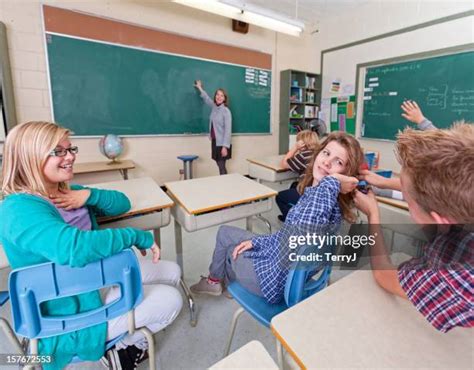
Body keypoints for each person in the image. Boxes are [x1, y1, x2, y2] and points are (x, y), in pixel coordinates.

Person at [0, 122, 183, 370]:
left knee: (172, 272)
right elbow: (73, 248)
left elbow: (121, 203)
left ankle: (124, 339)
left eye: (70, 148)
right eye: (59, 151)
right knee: (171, 300)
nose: (71, 156)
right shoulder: (17, 208)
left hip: (94, 277)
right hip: (69, 313)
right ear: (29, 158)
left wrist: (88, 196)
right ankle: (122, 347)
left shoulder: (62, 192)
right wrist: (134, 236)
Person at [190, 132, 363, 303]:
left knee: (230, 248)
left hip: (270, 281)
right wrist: (256, 243)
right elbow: (287, 237)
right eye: (326, 153)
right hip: (279, 262)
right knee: (227, 234)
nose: (327, 162)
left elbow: (303, 233)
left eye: (338, 162)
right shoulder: (320, 199)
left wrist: (332, 181)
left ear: (345, 175)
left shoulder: (321, 202)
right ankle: (225, 281)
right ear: (318, 153)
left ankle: (218, 282)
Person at [353, 122, 473, 332]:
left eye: (408, 201)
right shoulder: (463, 198)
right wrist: (384, 182)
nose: (407, 202)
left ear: (439, 219)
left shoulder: (449, 282)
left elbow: (383, 275)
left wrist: (373, 214)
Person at [276, 129, 319, 222]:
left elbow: (283, 164)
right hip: (318, 191)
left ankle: (292, 221)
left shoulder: (304, 155)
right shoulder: (319, 153)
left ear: (302, 143)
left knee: (279, 196)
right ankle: (296, 211)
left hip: (309, 192)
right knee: (294, 184)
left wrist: (295, 148)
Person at [194, 80, 232, 175]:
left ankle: (226, 185)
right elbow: (206, 98)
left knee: (221, 165)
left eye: (221, 95)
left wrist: (225, 147)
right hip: (215, 141)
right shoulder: (215, 107)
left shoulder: (226, 111)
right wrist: (199, 88)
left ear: (224, 98)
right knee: (219, 164)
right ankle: (224, 183)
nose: (219, 97)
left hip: (222, 143)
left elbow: (228, 130)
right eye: (217, 95)